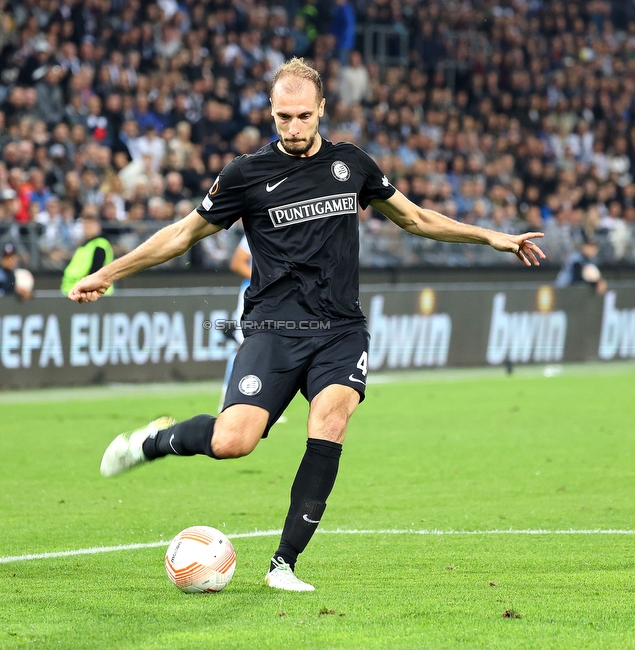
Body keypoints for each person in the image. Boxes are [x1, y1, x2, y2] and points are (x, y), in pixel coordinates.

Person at [68, 58, 545, 592]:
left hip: (341, 330)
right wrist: (107, 273)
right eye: (282, 117)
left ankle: (283, 565)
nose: (292, 128)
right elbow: (180, 236)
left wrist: (491, 237)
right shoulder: (245, 174)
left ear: (322, 109)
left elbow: (415, 218)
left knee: (332, 420)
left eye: (302, 116)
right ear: (271, 113)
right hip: (272, 329)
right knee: (233, 442)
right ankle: (154, 441)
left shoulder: (353, 165)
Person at [218, 234, 251, 411]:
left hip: (276, 298)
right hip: (252, 295)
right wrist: (269, 281)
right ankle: (227, 398)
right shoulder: (258, 228)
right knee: (243, 347)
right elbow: (238, 262)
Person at [60, 214, 114, 297]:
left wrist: (88, 289)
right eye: (85, 225)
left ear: (98, 227)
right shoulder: (84, 246)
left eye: (90, 225)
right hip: (75, 292)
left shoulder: (100, 245)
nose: (86, 228)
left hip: (91, 294)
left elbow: (96, 271)